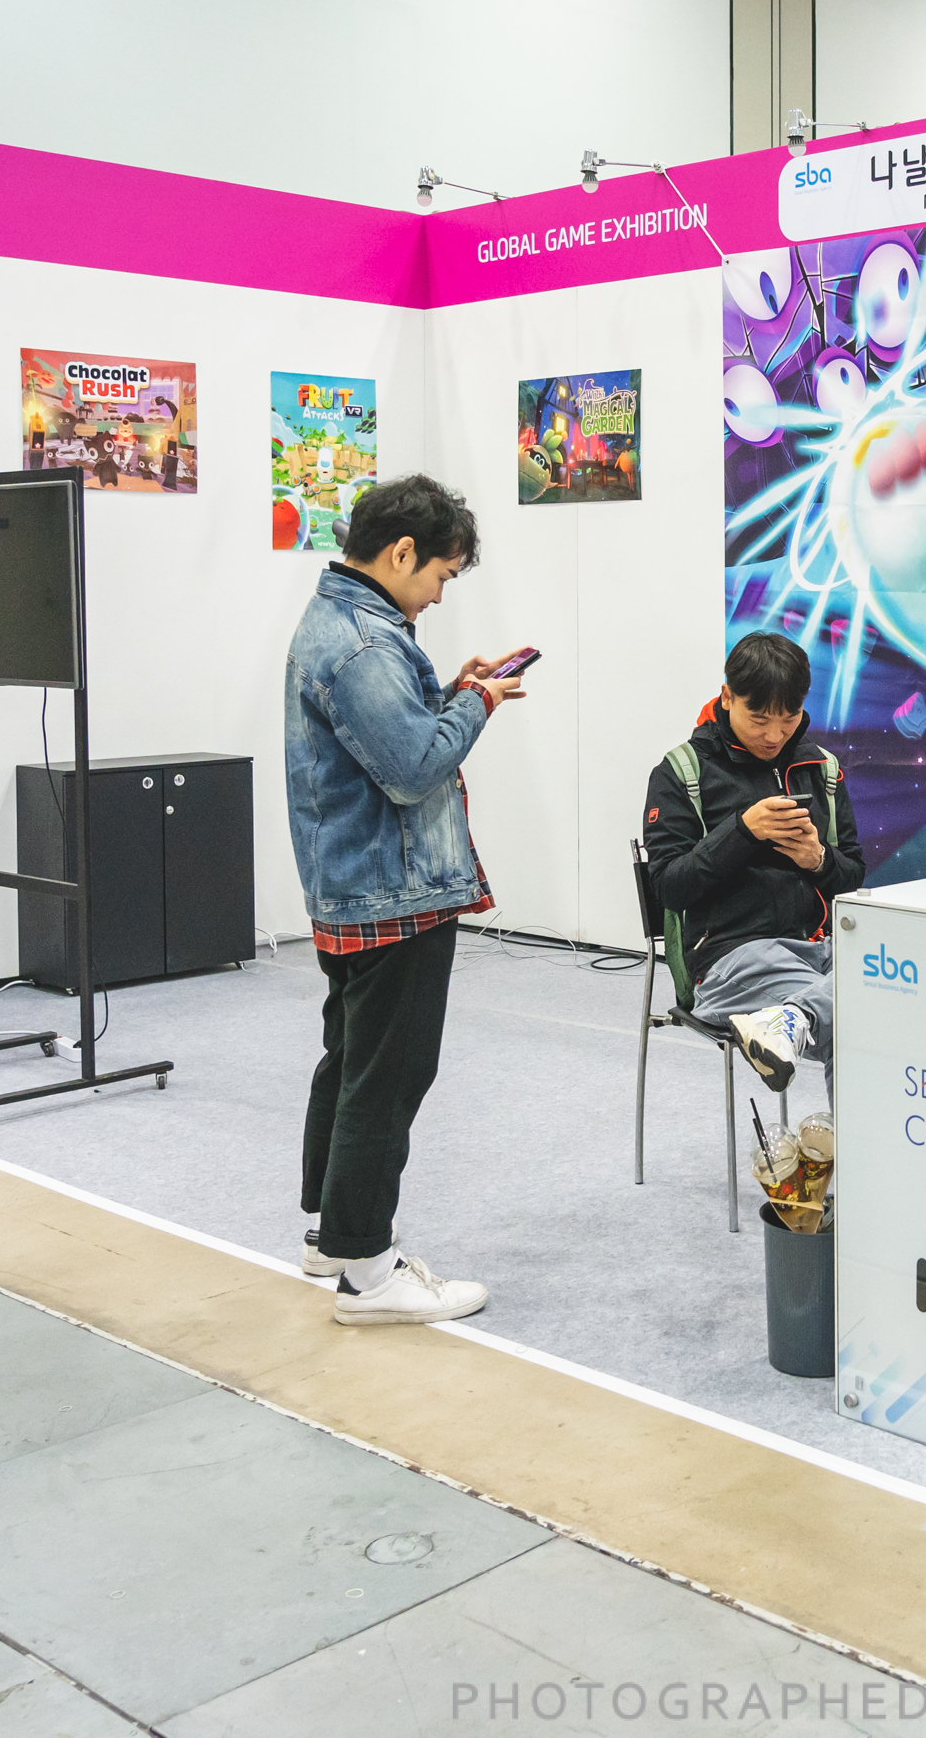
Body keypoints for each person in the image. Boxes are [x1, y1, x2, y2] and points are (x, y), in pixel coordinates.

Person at [284, 473, 527, 1326]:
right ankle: (367, 1273)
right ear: (400, 553)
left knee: (353, 1062)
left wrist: (446, 694)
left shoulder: (346, 624)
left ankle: (332, 1236)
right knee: (385, 1078)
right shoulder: (365, 645)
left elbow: (387, 737)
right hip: (393, 893)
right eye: (441, 575)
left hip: (358, 886)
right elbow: (415, 767)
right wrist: (478, 702)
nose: (439, 594)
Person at [642, 634, 864, 1092]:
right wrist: (743, 831)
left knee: (893, 992)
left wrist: (818, 860)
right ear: (727, 697)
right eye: (759, 719)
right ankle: (798, 1019)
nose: (774, 735)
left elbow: (853, 878)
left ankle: (794, 1018)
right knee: (861, 1015)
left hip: (820, 951)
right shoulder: (683, 772)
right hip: (730, 960)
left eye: (789, 718)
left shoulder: (821, 768)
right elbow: (669, 888)